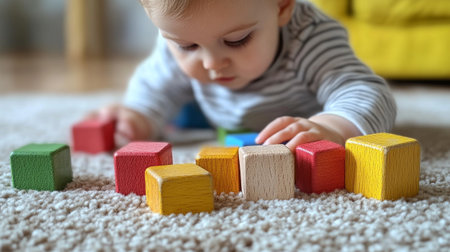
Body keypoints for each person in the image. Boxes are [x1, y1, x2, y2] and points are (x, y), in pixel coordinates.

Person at [91, 0, 396, 151]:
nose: (212, 63)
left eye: (236, 40)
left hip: (295, 118)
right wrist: (138, 117)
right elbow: (154, 88)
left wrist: (333, 127)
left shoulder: (310, 37)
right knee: (173, 104)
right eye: (187, 45)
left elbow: (365, 91)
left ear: (281, 6)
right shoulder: (175, 39)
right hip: (218, 114)